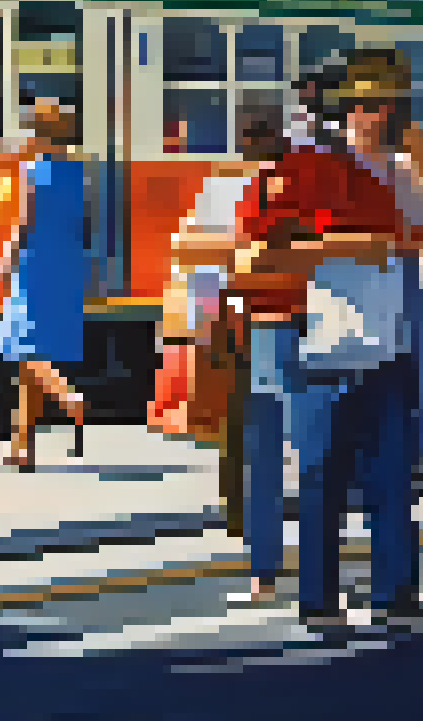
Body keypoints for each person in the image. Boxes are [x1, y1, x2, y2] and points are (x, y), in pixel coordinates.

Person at [233, 49, 423, 633]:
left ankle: (370, 593)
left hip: (366, 341)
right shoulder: (304, 174)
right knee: (339, 475)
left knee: (368, 475)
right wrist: (344, 248)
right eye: (364, 103)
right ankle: (339, 595)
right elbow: (253, 260)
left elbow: (413, 237)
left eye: (386, 103)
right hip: (336, 342)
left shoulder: (374, 174)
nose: (375, 114)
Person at [165, 108, 291, 605]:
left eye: (259, 134)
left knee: (254, 433)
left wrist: (232, 256)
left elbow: (196, 249)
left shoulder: (285, 187)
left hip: (266, 320)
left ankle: (263, 547)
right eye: (250, 136)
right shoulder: (225, 188)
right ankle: (252, 536)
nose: (253, 144)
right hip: (234, 323)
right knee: (240, 431)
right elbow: (184, 247)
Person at [0, 98, 89, 471]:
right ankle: (21, 448)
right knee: (26, 366)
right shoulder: (78, 171)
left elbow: (24, 220)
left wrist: (8, 254)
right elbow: (82, 220)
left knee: (23, 348)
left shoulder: (33, 169)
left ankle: (69, 398)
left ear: (41, 135)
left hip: (34, 261)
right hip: (64, 260)